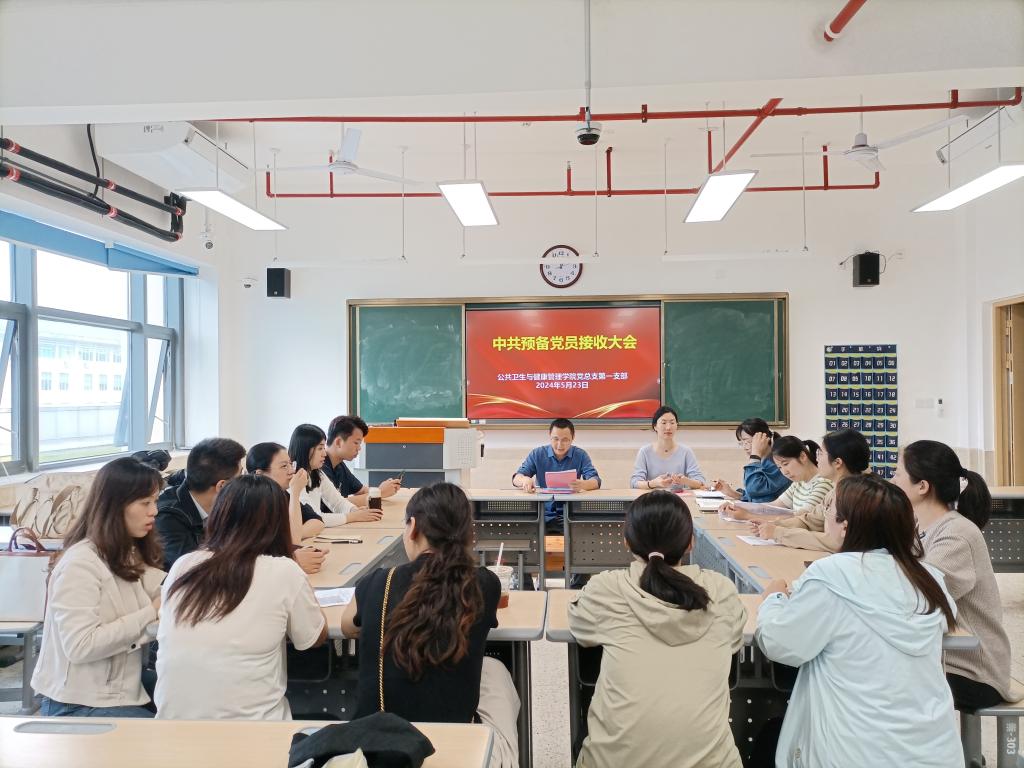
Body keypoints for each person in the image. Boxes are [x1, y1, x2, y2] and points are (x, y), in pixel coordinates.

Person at [756, 474, 963, 768]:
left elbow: (780, 644)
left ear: (844, 526)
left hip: (852, 752)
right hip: (934, 752)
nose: (825, 514)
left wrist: (773, 600)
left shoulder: (831, 575)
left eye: (829, 509)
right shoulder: (928, 578)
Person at [340, 483, 519, 768]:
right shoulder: (485, 584)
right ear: (467, 534)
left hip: (376, 750)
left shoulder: (379, 582)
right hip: (455, 748)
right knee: (495, 673)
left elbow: (348, 626)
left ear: (412, 527)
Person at [568, 491, 744, 768]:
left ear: (626, 541)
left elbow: (579, 627)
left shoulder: (606, 589)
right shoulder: (721, 592)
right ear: (691, 543)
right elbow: (734, 640)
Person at [155, 475, 327, 720]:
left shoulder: (184, 565)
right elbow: (312, 638)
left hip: (172, 729)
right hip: (256, 730)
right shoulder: (284, 571)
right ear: (278, 524)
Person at [31, 457, 165, 717]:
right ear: (116, 505)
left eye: (155, 501)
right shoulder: (80, 564)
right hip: (77, 702)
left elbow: (163, 587)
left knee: (190, 697)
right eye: (145, 503)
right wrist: (151, 612)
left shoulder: (123, 552)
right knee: (172, 736)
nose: (154, 511)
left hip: (118, 687)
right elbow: (81, 646)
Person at [892, 439, 1014, 710]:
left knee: (870, 676)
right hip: (941, 654)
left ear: (922, 486)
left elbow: (921, 595)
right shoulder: (919, 525)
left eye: (897, 473)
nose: (893, 480)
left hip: (973, 670)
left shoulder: (957, 534)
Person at [755, 428, 870, 551]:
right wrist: (774, 525)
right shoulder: (835, 492)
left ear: (837, 462)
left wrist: (779, 533)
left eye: (821, 453)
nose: (817, 458)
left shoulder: (855, 496)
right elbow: (809, 520)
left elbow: (835, 542)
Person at [155, 437, 246, 571]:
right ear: (222, 486)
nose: (244, 482)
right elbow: (194, 571)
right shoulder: (167, 517)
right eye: (241, 475)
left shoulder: (227, 504)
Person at [246, 441, 326, 574]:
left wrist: (294, 532)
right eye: (284, 466)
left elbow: (317, 521)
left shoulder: (282, 493)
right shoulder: (251, 502)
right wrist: (295, 493)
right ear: (259, 474)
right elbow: (294, 541)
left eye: (290, 464)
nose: (292, 471)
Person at [512, 418, 601, 533]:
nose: (560, 445)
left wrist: (584, 484)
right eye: (555, 439)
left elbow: (596, 481)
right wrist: (524, 480)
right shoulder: (538, 454)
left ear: (573, 438)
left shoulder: (580, 455)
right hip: (542, 513)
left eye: (565, 440)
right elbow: (516, 478)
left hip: (570, 514)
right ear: (549, 436)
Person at [289, 423, 381, 527]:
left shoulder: (317, 473)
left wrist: (354, 510)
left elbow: (337, 502)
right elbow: (315, 517)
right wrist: (353, 516)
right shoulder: (294, 479)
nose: (324, 454)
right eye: (320, 448)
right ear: (305, 449)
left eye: (324, 448)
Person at [721, 436, 833, 521]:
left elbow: (800, 518)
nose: (784, 472)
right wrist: (736, 506)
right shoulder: (799, 482)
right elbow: (773, 506)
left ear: (803, 456)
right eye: (779, 467)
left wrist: (748, 516)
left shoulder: (823, 483)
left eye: (786, 464)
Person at [323, 415, 401, 503]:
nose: (359, 448)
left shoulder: (339, 465)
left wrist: (383, 489)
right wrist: (380, 493)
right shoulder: (320, 467)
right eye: (356, 443)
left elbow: (362, 491)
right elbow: (334, 506)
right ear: (338, 442)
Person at [711, 418, 790, 504]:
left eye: (748, 442)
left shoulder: (779, 462)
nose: (745, 447)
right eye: (742, 443)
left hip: (773, 512)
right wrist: (732, 493)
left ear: (764, 438)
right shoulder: (763, 461)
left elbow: (755, 490)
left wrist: (755, 455)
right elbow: (759, 496)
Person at [629, 405, 706, 491]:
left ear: (676, 426)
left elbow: (701, 482)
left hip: (678, 498)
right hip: (653, 498)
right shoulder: (644, 452)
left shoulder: (686, 452)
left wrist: (685, 481)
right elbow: (634, 483)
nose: (668, 427)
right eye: (664, 423)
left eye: (672, 423)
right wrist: (653, 483)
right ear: (655, 426)